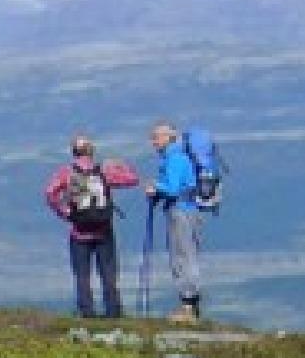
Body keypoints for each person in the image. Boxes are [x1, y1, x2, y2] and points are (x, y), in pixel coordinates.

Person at [42, 133, 139, 318]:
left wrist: (66, 213)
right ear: (92, 151)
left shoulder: (66, 173)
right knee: (109, 274)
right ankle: (113, 311)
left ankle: (87, 312)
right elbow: (132, 179)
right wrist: (120, 164)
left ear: (73, 152)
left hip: (79, 231)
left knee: (82, 275)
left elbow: (50, 193)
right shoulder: (104, 171)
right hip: (103, 230)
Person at [147, 120, 207, 323]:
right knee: (188, 254)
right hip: (190, 210)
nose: (153, 142)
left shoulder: (174, 159)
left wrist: (155, 188)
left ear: (167, 137)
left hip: (180, 212)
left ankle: (188, 305)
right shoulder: (181, 157)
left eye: (155, 137)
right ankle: (191, 304)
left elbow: (172, 188)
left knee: (182, 256)